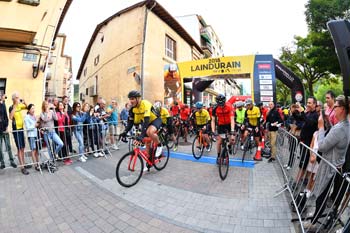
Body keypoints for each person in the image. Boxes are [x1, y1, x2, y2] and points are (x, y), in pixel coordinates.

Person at [303, 95, 350, 229]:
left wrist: (321, 127)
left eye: (335, 106)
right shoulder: (344, 125)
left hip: (330, 167)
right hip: (335, 166)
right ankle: (317, 218)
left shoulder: (341, 128)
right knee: (323, 194)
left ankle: (313, 223)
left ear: (342, 109)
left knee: (321, 195)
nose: (333, 108)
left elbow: (322, 146)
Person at [120, 90, 163, 158]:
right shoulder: (133, 109)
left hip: (155, 120)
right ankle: (148, 162)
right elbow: (130, 123)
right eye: (130, 99)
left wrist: (141, 135)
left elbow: (146, 120)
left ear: (139, 98)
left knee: (149, 132)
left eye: (133, 99)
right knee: (147, 143)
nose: (131, 101)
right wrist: (125, 132)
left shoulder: (145, 104)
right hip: (147, 123)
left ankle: (159, 145)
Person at [295, 96, 319, 183]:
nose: (307, 104)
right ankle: (303, 179)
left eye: (310, 103)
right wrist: (294, 111)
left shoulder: (316, 115)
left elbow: (309, 123)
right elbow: (300, 119)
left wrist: (303, 112)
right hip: (303, 141)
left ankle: (297, 182)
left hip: (309, 142)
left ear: (314, 104)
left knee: (303, 163)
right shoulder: (308, 113)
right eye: (307, 103)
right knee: (303, 162)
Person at [211, 94, 235, 164]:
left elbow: (232, 119)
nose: (221, 106)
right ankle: (219, 156)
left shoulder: (229, 106)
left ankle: (229, 145)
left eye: (222, 104)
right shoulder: (215, 108)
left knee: (232, 140)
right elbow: (213, 120)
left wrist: (232, 130)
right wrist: (213, 131)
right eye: (219, 104)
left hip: (229, 124)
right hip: (221, 125)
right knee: (219, 141)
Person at [9, 92, 28, 175]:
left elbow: (27, 107)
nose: (18, 98)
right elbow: (10, 117)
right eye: (16, 97)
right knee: (19, 148)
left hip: (21, 129)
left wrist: (24, 102)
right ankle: (22, 167)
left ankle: (24, 163)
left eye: (18, 97)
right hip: (16, 129)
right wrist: (15, 106)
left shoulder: (20, 105)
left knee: (23, 147)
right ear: (13, 99)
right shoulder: (11, 107)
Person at [0, 93, 17, 169]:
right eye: (3, 96)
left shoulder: (3, 104)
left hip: (5, 129)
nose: (5, 97)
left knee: (8, 146)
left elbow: (6, 117)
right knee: (0, 148)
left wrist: (7, 127)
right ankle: (2, 162)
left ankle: (12, 161)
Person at [24, 104, 40, 171]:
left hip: (36, 135)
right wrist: (35, 125)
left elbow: (37, 124)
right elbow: (28, 128)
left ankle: (38, 163)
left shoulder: (34, 116)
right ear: (29, 110)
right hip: (31, 136)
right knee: (33, 150)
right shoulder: (27, 117)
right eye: (32, 109)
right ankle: (36, 165)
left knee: (37, 150)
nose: (33, 110)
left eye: (34, 108)